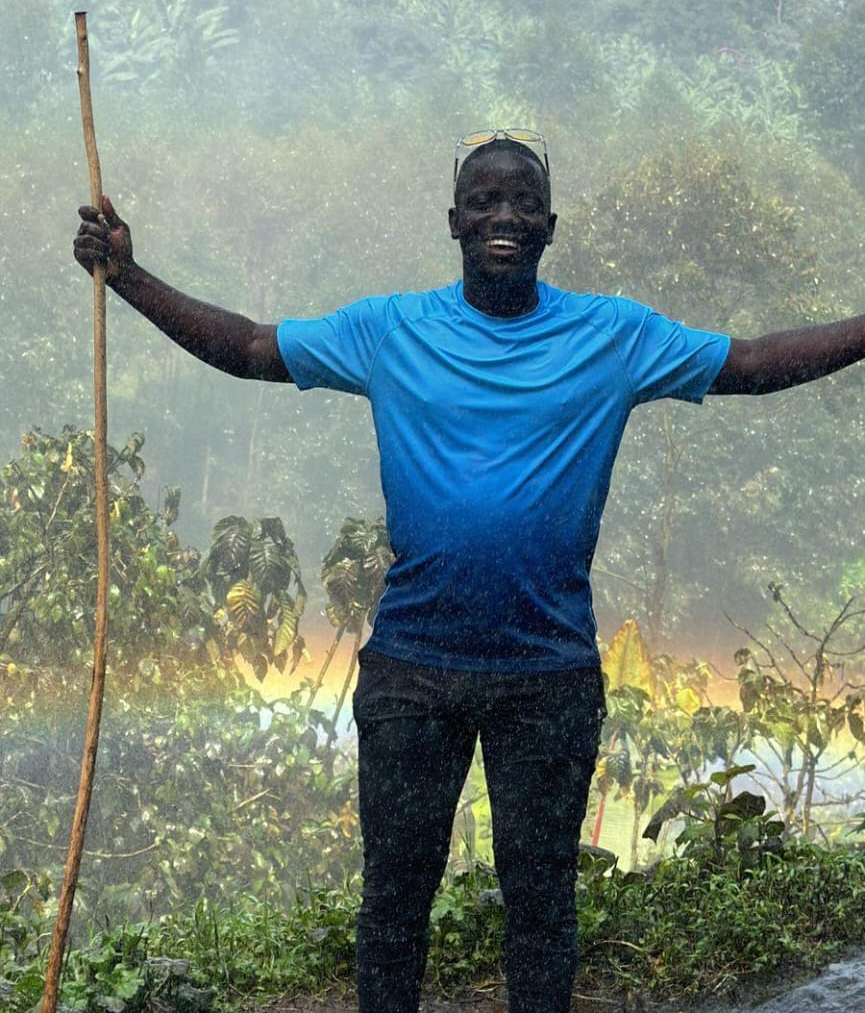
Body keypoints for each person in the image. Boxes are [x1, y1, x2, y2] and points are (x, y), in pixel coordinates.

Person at [74, 130, 865, 1013]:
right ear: (452, 220)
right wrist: (131, 278)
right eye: (484, 200)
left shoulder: (613, 335)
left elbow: (750, 365)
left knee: (541, 908)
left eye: (523, 202)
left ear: (550, 226)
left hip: (547, 678)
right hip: (412, 671)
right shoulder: (389, 330)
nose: (503, 216)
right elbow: (253, 346)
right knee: (393, 906)